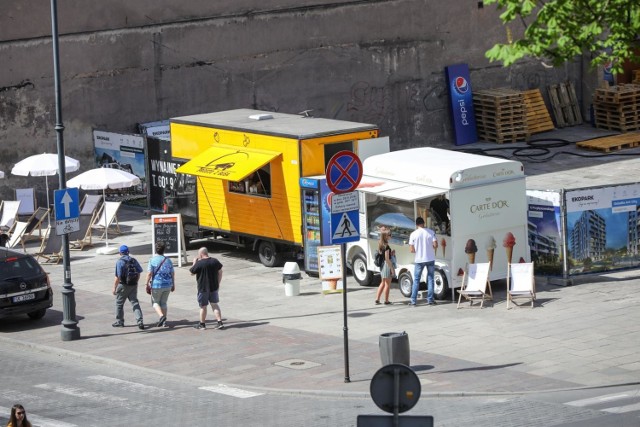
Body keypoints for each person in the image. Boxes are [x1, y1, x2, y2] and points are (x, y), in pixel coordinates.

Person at [189, 247, 225, 330]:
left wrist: (194, 262)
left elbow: (192, 272)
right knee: (214, 304)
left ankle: (202, 324)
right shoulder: (215, 261)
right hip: (214, 287)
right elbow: (220, 272)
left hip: (203, 288)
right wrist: (218, 283)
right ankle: (219, 322)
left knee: (203, 306)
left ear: (201, 254)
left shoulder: (199, 263)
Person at [112, 245, 145, 329]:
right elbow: (139, 272)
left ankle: (120, 321)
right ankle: (140, 321)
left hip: (123, 285)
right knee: (135, 303)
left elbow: (118, 277)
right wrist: (136, 282)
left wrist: (114, 288)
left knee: (119, 303)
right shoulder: (133, 260)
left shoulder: (120, 262)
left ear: (120, 253)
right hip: (133, 284)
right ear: (128, 252)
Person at [144, 241, 175, 327]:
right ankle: (164, 322)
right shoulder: (168, 260)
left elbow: (149, 273)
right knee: (164, 303)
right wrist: (173, 284)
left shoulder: (152, 260)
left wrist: (146, 284)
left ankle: (161, 316)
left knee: (155, 302)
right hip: (168, 284)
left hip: (157, 285)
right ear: (164, 250)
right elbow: (172, 273)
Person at [408, 216, 438, 306]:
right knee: (431, 279)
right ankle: (430, 300)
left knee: (416, 280)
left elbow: (411, 250)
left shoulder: (413, 234)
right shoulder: (431, 232)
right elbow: (435, 245)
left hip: (419, 259)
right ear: (423, 223)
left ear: (416, 224)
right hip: (430, 258)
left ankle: (413, 301)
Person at [375, 228, 395, 305]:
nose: (391, 236)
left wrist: (391, 253)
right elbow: (387, 259)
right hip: (387, 265)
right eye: (390, 235)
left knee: (382, 283)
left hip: (382, 265)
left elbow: (383, 256)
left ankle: (377, 299)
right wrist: (392, 269)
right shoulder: (386, 246)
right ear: (386, 236)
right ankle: (386, 301)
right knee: (387, 284)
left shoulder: (380, 243)